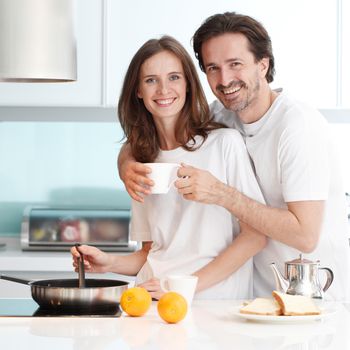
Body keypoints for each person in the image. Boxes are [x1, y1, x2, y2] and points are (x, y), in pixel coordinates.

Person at [118, 13, 350, 301]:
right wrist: (126, 162)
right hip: (260, 297)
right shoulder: (222, 114)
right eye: (213, 68)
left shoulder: (297, 126)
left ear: (263, 64)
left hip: (316, 297)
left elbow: (305, 235)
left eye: (235, 64)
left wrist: (221, 194)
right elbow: (158, 135)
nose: (225, 79)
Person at [72, 35, 266, 300]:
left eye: (174, 77)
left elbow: (255, 237)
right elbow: (152, 252)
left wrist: (184, 286)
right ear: (138, 90)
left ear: (188, 84)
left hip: (213, 304)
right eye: (151, 80)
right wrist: (109, 263)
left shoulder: (224, 144)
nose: (163, 90)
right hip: (151, 300)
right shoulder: (140, 162)